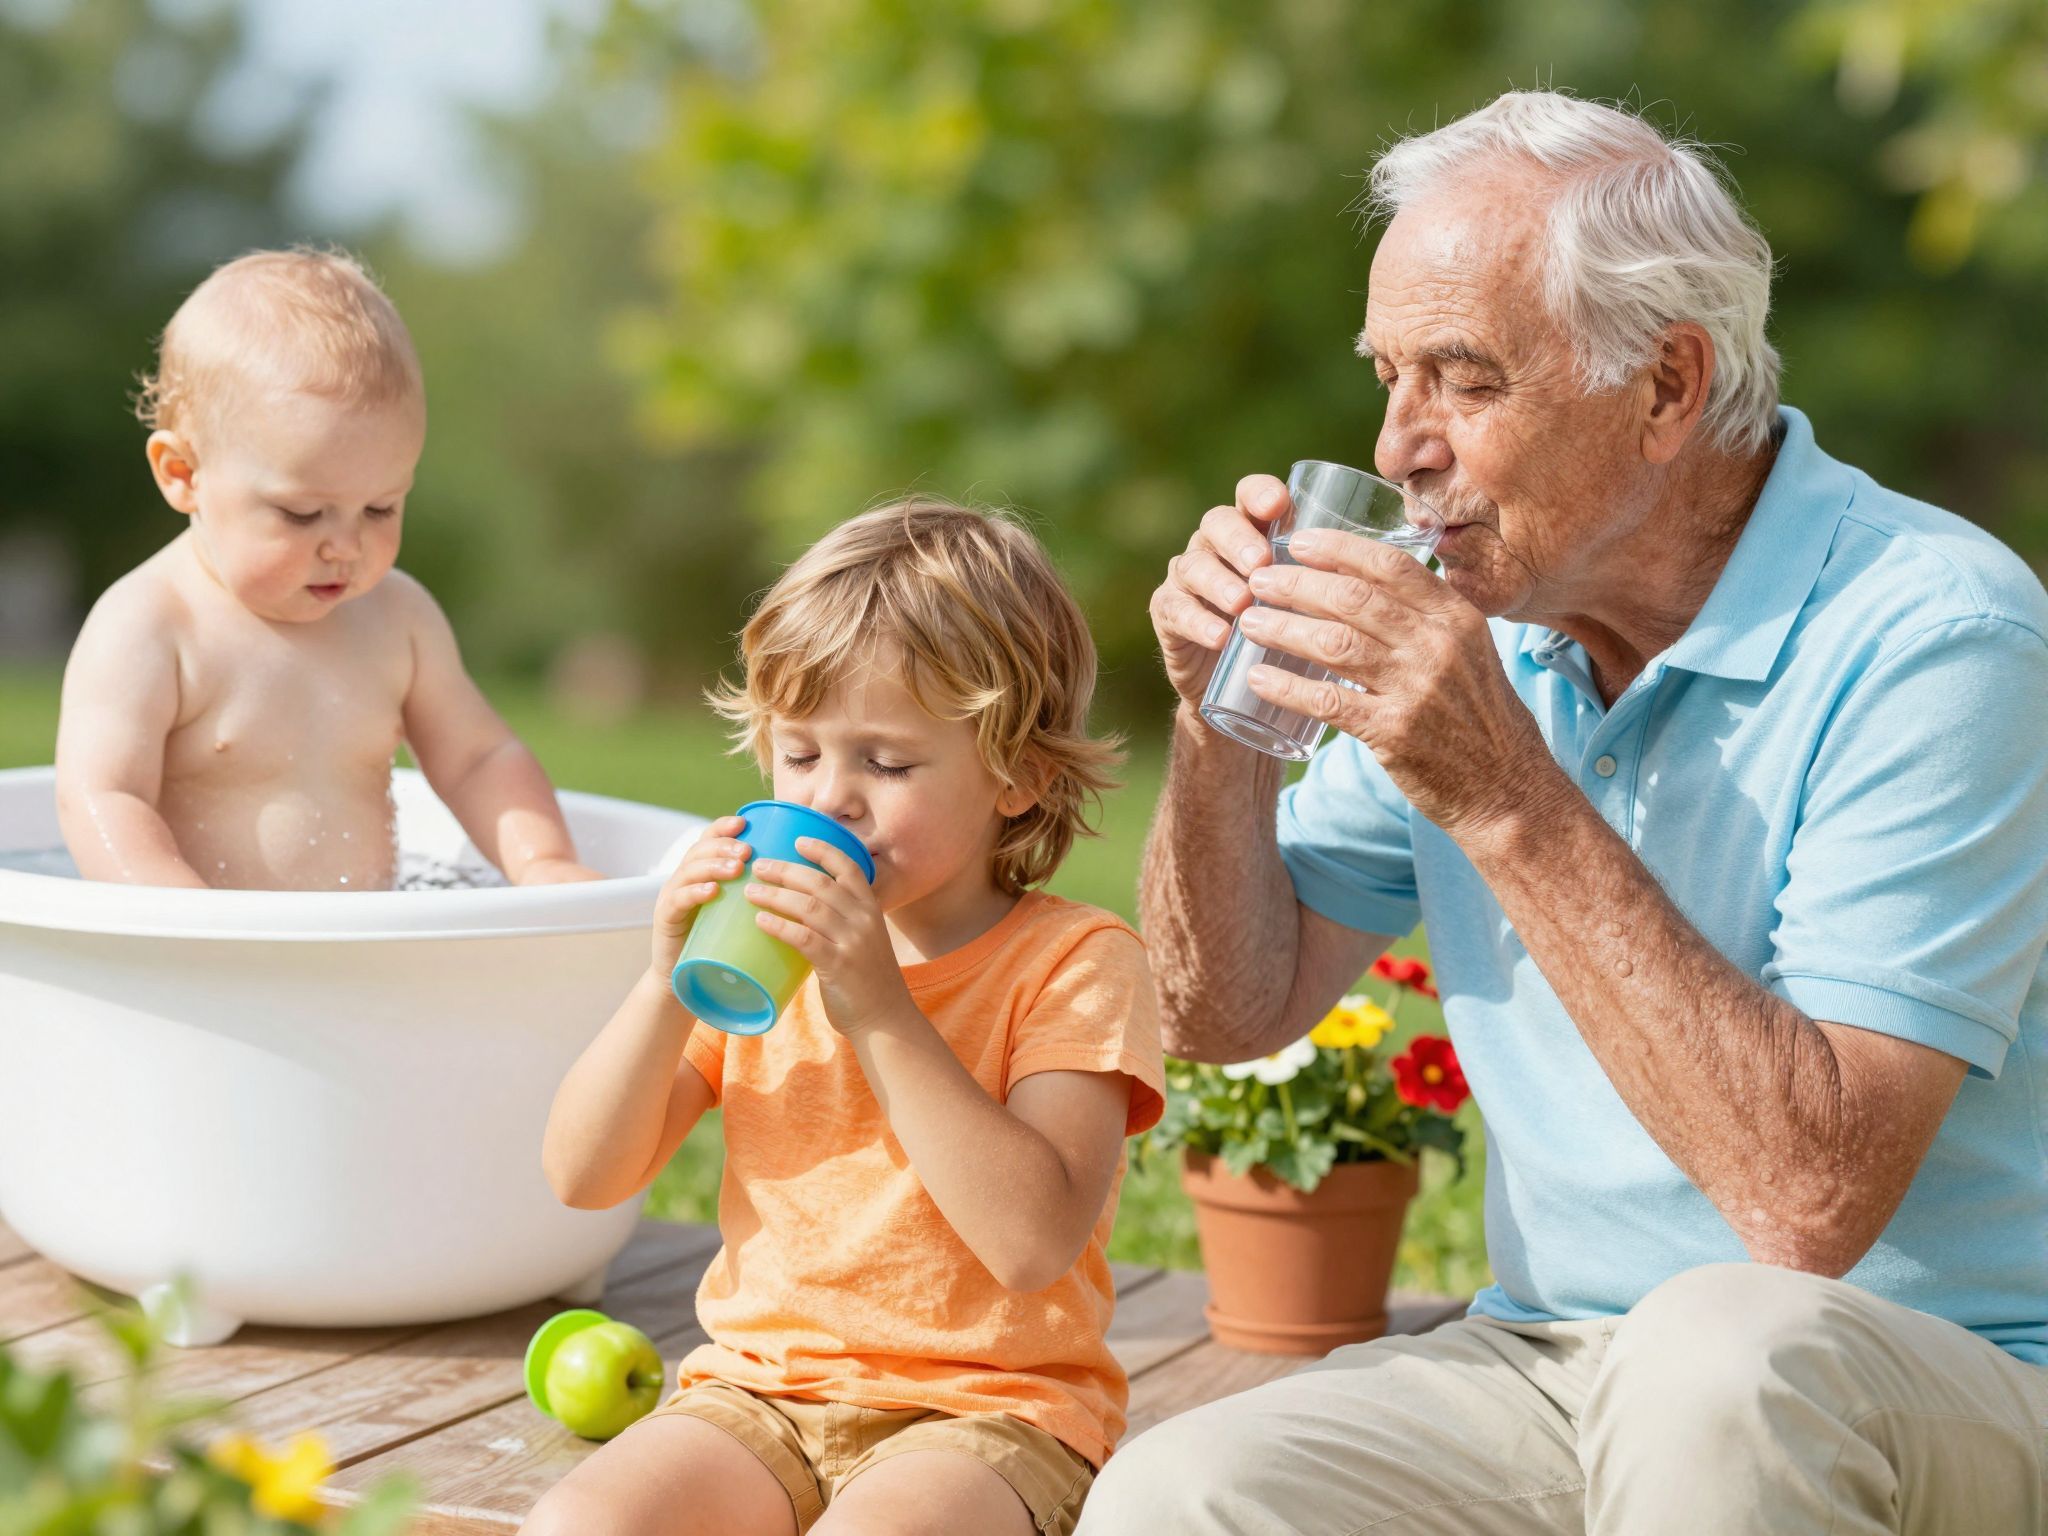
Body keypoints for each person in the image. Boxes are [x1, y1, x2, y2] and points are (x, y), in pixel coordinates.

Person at [1083, 91, 2048, 1535]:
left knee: (1714, 1361)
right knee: (1183, 1494)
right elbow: (1224, 1006)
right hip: (1552, 1363)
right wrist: (1218, 722)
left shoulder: (1938, 638)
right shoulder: (1504, 624)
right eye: (1389, 377)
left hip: (1938, 1378)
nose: (1401, 444)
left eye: (1464, 380)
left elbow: (1806, 1208)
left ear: (1665, 387)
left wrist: (1501, 793)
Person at [530, 499, 1164, 1536]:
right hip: (758, 1393)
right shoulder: (757, 953)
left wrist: (877, 1006)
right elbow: (582, 1174)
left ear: (1019, 777)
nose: (830, 799)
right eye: (799, 754)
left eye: (886, 762)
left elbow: (1031, 1242)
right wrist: (660, 984)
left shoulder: (1073, 962)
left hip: (989, 1416)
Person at [53, 247, 599, 890]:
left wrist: (542, 863)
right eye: (302, 513)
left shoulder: (398, 618)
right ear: (185, 474)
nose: (345, 545)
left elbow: (479, 758)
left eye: (380, 507)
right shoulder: (151, 625)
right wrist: (188, 921)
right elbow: (103, 799)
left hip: (360, 945)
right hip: (205, 962)